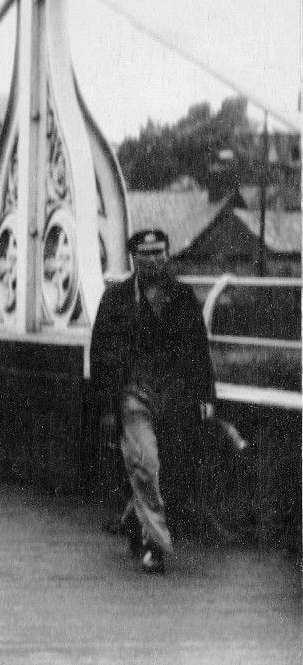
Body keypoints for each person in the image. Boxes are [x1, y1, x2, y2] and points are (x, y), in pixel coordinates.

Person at [90, 228, 215, 575]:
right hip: (133, 395)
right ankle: (154, 546)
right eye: (145, 254)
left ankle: (136, 517)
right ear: (134, 258)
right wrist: (105, 408)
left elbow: (198, 349)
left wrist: (206, 395)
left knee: (170, 467)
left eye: (160, 253)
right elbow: (99, 356)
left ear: (168, 255)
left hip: (175, 396)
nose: (154, 260)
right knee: (146, 463)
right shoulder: (115, 300)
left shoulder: (183, 297)